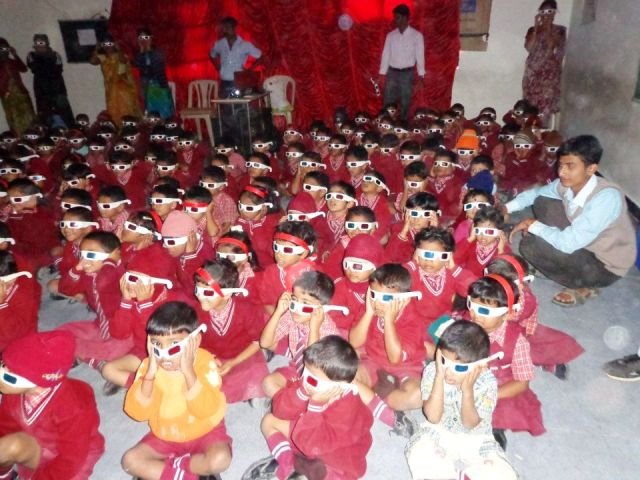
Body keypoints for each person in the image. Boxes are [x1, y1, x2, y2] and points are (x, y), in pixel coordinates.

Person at [508, 135, 636, 306]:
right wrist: (505, 208)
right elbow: (536, 193)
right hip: (584, 241)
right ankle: (555, 255)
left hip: (605, 265)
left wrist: (534, 226)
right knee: (543, 201)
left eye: (570, 166)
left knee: (530, 246)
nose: (562, 172)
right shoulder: (567, 184)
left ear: (591, 169)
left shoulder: (606, 198)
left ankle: (583, 285)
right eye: (561, 165)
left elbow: (568, 244)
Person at [122, 301, 231, 480]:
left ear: (195, 341)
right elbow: (138, 413)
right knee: (130, 461)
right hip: (166, 433)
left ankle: (174, 466)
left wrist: (189, 372)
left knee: (220, 459)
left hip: (205, 430)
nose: (164, 355)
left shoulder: (205, 362)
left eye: (173, 344)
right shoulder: (148, 367)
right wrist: (149, 376)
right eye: (157, 344)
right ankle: (189, 476)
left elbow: (205, 410)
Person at [244, 336, 373, 480]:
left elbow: (311, 445)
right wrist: (300, 394)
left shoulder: (346, 411)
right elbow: (280, 411)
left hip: (334, 456)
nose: (305, 379)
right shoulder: (311, 384)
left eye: (311, 378)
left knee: (331, 474)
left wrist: (315, 407)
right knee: (269, 421)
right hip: (307, 434)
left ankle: (305, 468)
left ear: (338, 386)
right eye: (305, 371)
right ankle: (290, 465)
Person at [405, 321, 518, 480]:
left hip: (476, 438)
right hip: (439, 431)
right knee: (419, 451)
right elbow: (433, 417)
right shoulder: (434, 371)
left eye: (458, 367)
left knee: (503, 472)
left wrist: (467, 392)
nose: (448, 372)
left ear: (480, 367)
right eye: (444, 361)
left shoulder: (487, 383)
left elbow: (470, 424)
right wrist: (439, 377)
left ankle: (469, 476)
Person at [0, 331, 105, 479]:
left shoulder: (74, 407)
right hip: (35, 443)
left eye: (8, 376)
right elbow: (6, 425)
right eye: (2, 365)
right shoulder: (13, 393)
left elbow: (72, 458)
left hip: (72, 457)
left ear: (36, 381)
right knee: (7, 446)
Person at [378, 4, 425, 120]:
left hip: (407, 74)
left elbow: (420, 56)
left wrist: (421, 76)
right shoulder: (391, 35)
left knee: (405, 103)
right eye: (395, 17)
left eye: (397, 17)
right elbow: (386, 54)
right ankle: (386, 124)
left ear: (405, 18)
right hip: (392, 73)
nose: (395, 20)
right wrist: (382, 74)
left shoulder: (416, 36)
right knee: (388, 102)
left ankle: (402, 125)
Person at [522, 1, 566, 124]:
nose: (546, 15)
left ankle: (543, 130)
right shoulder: (533, 30)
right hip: (533, 73)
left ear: (554, 13)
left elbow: (552, 45)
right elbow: (529, 47)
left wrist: (547, 28)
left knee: (546, 104)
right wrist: (536, 28)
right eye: (543, 12)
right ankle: (530, 130)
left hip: (548, 74)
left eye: (550, 11)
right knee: (530, 105)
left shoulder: (560, 30)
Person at [90, 34, 141, 126]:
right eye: (105, 44)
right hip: (111, 90)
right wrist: (96, 49)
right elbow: (93, 61)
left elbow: (123, 61)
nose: (107, 47)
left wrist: (119, 49)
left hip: (123, 89)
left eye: (109, 44)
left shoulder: (120, 55)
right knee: (113, 113)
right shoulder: (103, 57)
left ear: (114, 44)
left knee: (127, 112)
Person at [26, 34, 74, 127]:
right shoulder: (31, 55)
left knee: (65, 113)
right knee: (45, 115)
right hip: (41, 90)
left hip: (57, 88)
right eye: (37, 42)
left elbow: (58, 69)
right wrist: (41, 55)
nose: (40, 45)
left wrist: (47, 55)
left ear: (47, 43)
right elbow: (35, 68)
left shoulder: (55, 55)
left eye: (42, 42)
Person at [209, 16, 263, 96]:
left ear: (234, 28)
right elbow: (211, 55)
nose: (225, 31)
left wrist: (250, 69)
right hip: (224, 82)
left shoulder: (245, 45)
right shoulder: (219, 44)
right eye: (223, 28)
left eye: (227, 28)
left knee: (239, 103)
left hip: (239, 82)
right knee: (224, 103)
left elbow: (261, 56)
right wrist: (218, 67)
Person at [134, 28, 174, 119]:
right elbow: (139, 69)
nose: (143, 40)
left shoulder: (157, 52)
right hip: (147, 89)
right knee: (150, 114)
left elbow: (156, 71)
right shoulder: (139, 55)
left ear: (151, 38)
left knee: (163, 113)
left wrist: (148, 51)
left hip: (159, 87)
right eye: (141, 38)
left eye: (146, 37)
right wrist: (142, 52)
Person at [0, 38, 35, 135]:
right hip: (8, 95)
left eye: (5, 48)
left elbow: (24, 69)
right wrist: (4, 91)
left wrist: (15, 55)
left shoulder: (12, 61)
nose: (3, 51)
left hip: (21, 93)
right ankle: (19, 137)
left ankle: (33, 136)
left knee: (29, 115)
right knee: (14, 117)